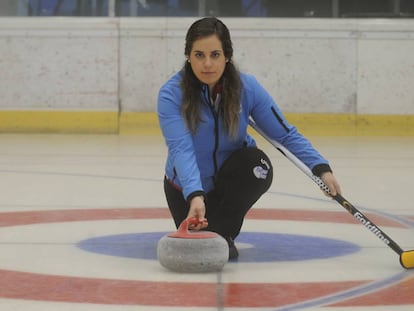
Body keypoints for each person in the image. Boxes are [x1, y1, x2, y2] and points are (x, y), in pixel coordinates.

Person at [157, 17, 341, 260]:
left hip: (227, 185)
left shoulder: (247, 88)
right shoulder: (171, 94)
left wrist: (321, 168)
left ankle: (222, 233)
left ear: (227, 56)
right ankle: (216, 232)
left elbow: (285, 133)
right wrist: (195, 194)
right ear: (188, 56)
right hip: (185, 191)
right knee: (202, 248)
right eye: (199, 55)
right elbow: (181, 149)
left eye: (215, 54)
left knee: (257, 165)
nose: (207, 63)